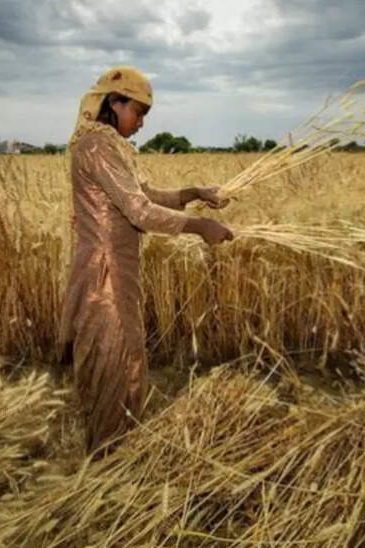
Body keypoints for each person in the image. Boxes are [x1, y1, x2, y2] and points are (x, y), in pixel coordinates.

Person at [59, 65, 234, 455]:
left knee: (125, 356)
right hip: (105, 275)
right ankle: (107, 459)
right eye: (138, 112)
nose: (141, 124)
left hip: (118, 270)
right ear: (114, 103)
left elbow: (147, 195)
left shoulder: (108, 145)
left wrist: (193, 192)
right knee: (115, 362)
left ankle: (113, 448)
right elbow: (139, 211)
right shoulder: (97, 146)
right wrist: (197, 226)